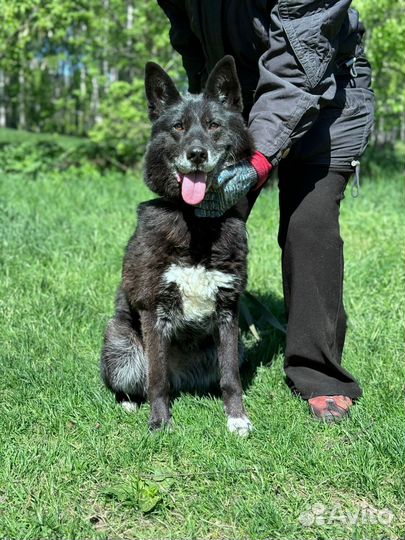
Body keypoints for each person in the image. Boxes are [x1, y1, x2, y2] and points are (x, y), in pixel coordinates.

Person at [157, 0, 375, 422]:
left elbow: (299, 67)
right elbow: (190, 41)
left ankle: (320, 375)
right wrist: (208, 114)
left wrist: (253, 166)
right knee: (205, 215)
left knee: (308, 225)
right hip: (236, 101)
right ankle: (194, 347)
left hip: (327, 94)